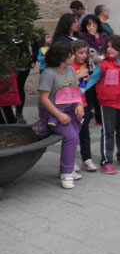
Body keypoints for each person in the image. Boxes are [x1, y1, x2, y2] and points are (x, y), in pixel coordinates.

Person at [31, 42, 83, 189]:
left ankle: (68, 166)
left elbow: (75, 90)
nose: (74, 56)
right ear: (62, 57)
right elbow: (44, 99)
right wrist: (59, 116)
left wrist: (79, 105)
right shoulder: (48, 74)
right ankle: (66, 173)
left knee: (75, 135)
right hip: (52, 112)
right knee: (71, 137)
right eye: (72, 54)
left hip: (69, 109)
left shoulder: (71, 70)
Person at [82, 35, 120, 175]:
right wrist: (81, 91)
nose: (109, 49)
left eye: (113, 47)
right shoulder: (103, 64)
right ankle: (106, 161)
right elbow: (93, 79)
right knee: (108, 131)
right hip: (108, 102)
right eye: (108, 47)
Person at [70, 40, 96, 172]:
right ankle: (70, 160)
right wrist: (78, 76)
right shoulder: (69, 66)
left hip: (83, 103)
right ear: (73, 53)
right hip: (71, 105)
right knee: (72, 134)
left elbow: (82, 87)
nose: (84, 55)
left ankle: (87, 159)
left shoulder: (85, 65)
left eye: (85, 53)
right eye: (80, 53)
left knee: (85, 133)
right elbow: (65, 83)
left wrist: (87, 80)